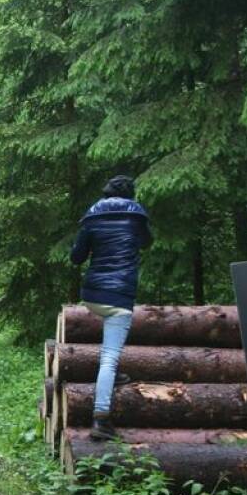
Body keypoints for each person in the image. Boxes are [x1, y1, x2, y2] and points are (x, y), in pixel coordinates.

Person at [70, 175, 153, 441]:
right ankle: (101, 419)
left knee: (110, 357)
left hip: (92, 294)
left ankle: (112, 374)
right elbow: (146, 242)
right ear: (131, 195)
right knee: (109, 357)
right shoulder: (136, 217)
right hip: (118, 297)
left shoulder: (92, 218)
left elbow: (76, 257)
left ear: (105, 193)